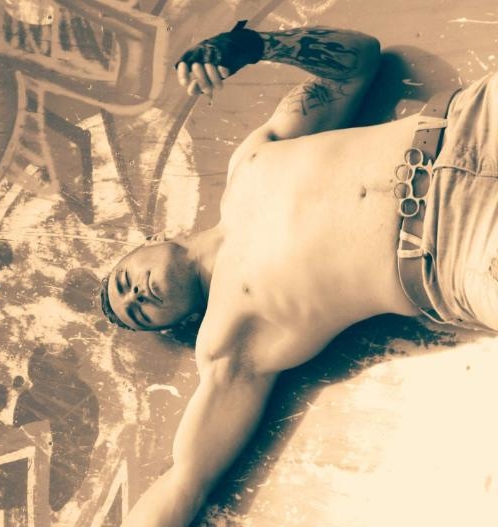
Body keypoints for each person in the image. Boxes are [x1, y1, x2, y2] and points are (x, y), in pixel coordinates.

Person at [99, 21, 498, 526]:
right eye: (138, 314)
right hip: (461, 251)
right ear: (177, 322)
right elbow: (186, 480)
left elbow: (357, 59)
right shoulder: (228, 342)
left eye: (124, 282)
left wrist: (252, 44)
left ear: (150, 241)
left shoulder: (248, 162)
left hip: (468, 125)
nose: (136, 296)